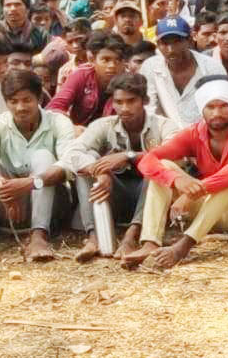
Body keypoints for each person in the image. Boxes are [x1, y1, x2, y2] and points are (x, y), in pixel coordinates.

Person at [125, 77, 228, 269]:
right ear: (201, 109)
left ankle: (184, 245)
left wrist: (193, 191)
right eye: (210, 107)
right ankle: (150, 242)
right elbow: (148, 160)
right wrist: (175, 180)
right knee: (164, 165)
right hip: (205, 209)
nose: (217, 113)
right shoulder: (194, 132)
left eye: (223, 106)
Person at [0, 70, 76, 268]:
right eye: (13, 101)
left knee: (44, 156)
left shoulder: (58, 122)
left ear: (39, 98)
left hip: (50, 204)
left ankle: (39, 236)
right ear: (6, 102)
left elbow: (70, 163)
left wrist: (29, 184)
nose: (20, 107)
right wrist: (2, 185)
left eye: (27, 100)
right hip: (7, 207)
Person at [56, 72, 180, 262]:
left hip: (150, 198)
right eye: (119, 102)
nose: (124, 108)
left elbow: (176, 154)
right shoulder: (103, 125)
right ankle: (93, 237)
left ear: (144, 100)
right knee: (86, 163)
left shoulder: (164, 125)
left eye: (131, 101)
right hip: (114, 193)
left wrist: (129, 156)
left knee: (157, 166)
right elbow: (72, 153)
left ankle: (132, 235)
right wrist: (99, 171)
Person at [139, 17, 227, 124]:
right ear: (158, 44)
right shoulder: (150, 67)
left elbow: (221, 110)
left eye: (177, 42)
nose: (171, 49)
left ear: (189, 40)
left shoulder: (212, 68)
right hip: (166, 135)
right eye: (165, 43)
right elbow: (149, 110)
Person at [46, 32, 126, 128]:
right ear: (92, 60)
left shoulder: (130, 81)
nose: (112, 65)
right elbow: (53, 108)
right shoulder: (81, 74)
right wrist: (72, 128)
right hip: (79, 135)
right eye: (106, 60)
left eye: (118, 60)